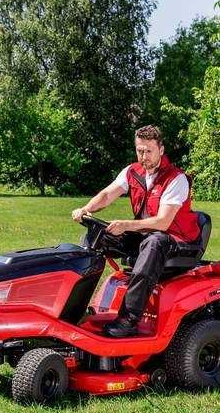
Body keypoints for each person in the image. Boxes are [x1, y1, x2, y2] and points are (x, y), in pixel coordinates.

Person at [71, 125, 201, 337]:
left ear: (161, 149)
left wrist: (126, 225)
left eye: (149, 151)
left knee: (154, 243)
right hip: (146, 235)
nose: (144, 156)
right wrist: (86, 209)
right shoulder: (132, 172)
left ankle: (128, 320)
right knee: (95, 236)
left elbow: (163, 223)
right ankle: (75, 307)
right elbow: (106, 195)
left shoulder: (176, 178)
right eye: (140, 150)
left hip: (178, 241)